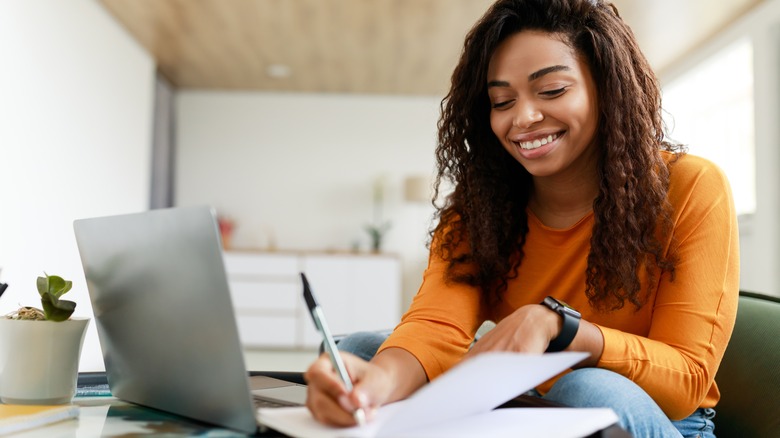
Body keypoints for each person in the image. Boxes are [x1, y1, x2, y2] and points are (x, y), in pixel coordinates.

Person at [304, 0, 739, 436]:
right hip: (531, 405)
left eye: (551, 91)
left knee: (588, 388)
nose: (523, 118)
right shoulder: (481, 207)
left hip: (664, 419)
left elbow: (687, 379)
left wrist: (558, 326)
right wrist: (372, 386)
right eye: (502, 100)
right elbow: (436, 325)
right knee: (365, 351)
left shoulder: (691, 186)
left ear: (607, 89)